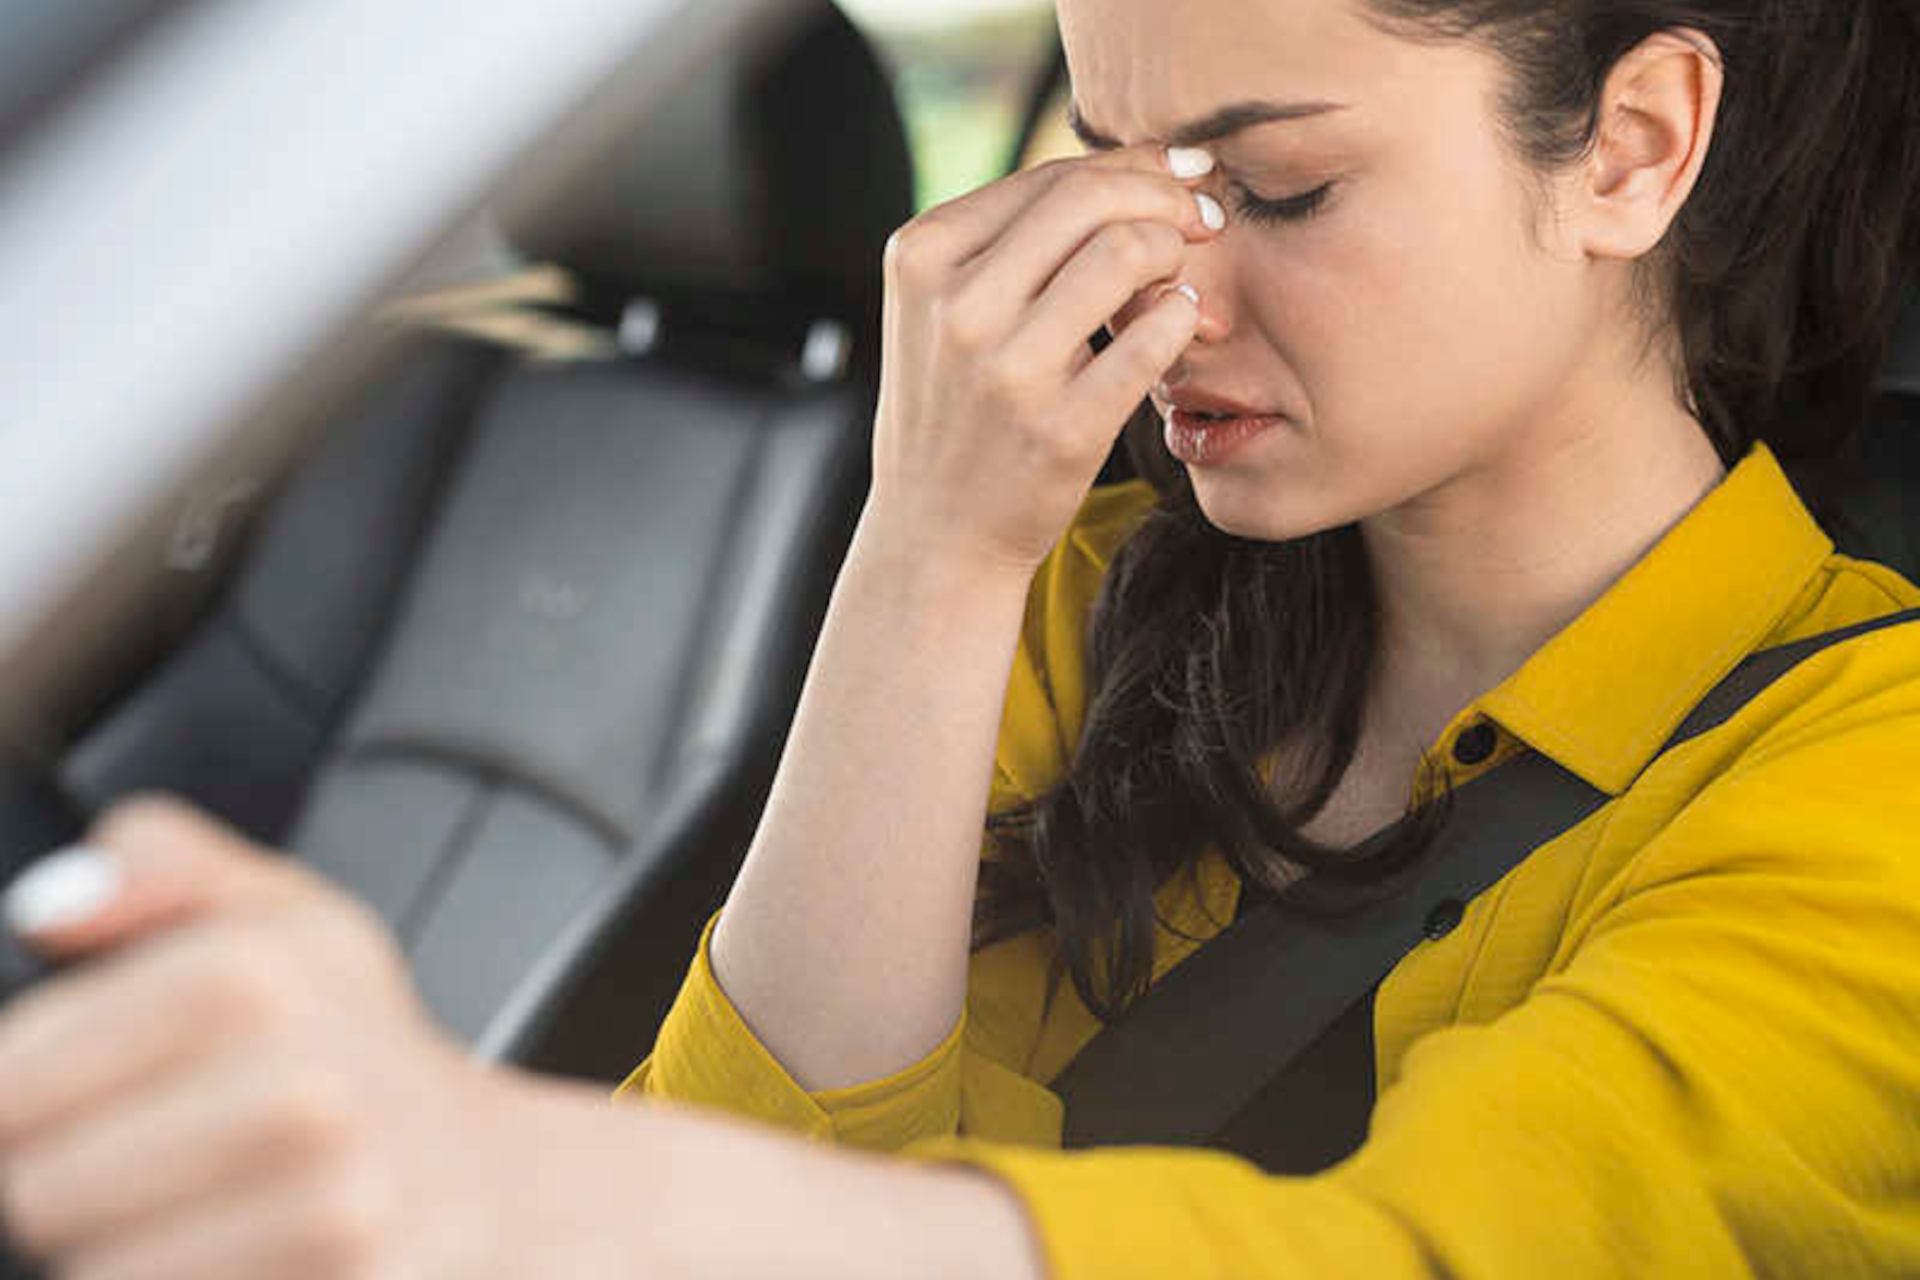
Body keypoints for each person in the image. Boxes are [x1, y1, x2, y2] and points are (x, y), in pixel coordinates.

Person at [3, 0, 1920, 1275]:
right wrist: (929, 546)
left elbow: (1426, 1253)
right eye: (1123, 176)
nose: (1165, 286)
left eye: (1277, 189)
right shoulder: (1089, 591)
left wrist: (509, 1178)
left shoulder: (1869, 768)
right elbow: (783, 1159)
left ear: (1633, 148)